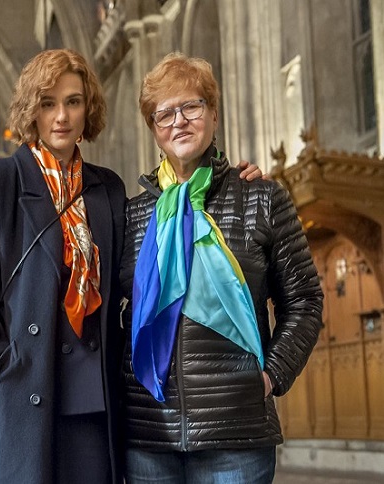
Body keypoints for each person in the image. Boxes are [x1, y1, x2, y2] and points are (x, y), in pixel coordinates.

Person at [0, 48, 262, 484]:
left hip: (96, 403)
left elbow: (146, 264)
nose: (61, 116)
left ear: (87, 109)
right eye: (48, 103)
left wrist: (233, 183)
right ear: (31, 110)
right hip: (23, 395)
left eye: (73, 101)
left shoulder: (107, 188)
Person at [119, 52, 324, 484]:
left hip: (236, 435)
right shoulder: (133, 216)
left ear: (213, 114)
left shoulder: (262, 199)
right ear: (154, 130)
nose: (179, 121)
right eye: (164, 114)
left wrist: (270, 376)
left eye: (191, 107)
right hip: (148, 435)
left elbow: (304, 301)